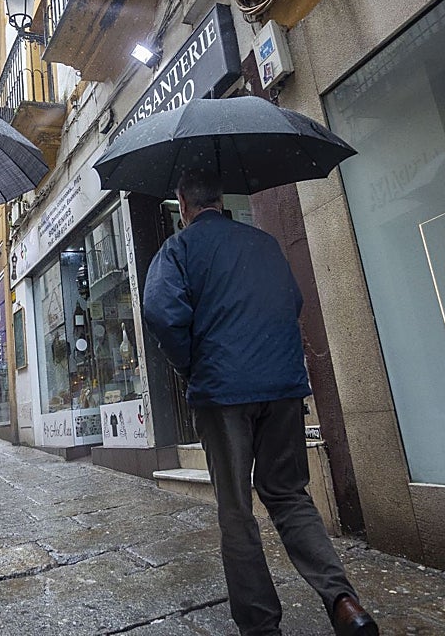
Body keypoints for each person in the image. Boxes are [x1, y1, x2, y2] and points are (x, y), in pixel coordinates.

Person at [142, 167, 378, 636]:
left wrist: (192, 365)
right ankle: (344, 601)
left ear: (183, 205)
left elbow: (160, 312)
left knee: (236, 511)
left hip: (223, 393)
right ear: (220, 200)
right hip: (282, 388)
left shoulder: (178, 249)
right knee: (289, 495)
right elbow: (292, 301)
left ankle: (261, 626)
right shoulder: (265, 243)